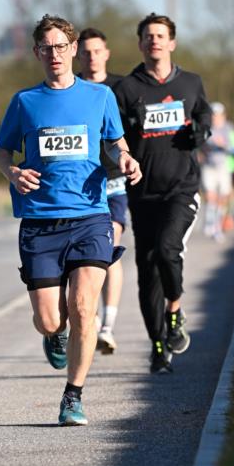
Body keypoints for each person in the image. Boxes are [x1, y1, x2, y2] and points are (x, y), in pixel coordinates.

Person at [0, 14, 141, 425]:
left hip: (90, 215)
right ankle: (55, 335)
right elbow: (2, 151)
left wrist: (126, 158)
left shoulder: (99, 97)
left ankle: (73, 396)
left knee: (82, 306)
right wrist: (14, 173)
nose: (55, 54)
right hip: (40, 220)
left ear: (73, 49)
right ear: (37, 52)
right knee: (49, 319)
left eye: (62, 46)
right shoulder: (25, 102)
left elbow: (115, 142)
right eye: (47, 47)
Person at [114, 13, 211, 373]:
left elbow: (205, 115)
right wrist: (123, 151)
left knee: (168, 250)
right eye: (148, 36)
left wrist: (200, 131)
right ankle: (158, 345)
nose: (154, 41)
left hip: (181, 186)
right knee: (147, 268)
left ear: (172, 42)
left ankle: (175, 310)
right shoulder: (125, 89)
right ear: (140, 44)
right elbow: (114, 136)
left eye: (160, 35)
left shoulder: (191, 82)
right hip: (142, 192)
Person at [77, 27, 125, 353]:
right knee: (84, 256)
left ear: (106, 53)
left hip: (115, 181)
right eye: (86, 51)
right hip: (81, 184)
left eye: (98, 50)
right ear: (78, 55)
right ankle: (87, 318)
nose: (92, 57)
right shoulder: (72, 89)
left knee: (109, 248)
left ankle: (106, 325)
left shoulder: (122, 88)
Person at [199, 103, 234, 239]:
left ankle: (218, 225)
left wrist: (224, 144)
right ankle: (210, 222)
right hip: (208, 165)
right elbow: (200, 143)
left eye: (218, 115)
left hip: (223, 166)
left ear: (223, 116)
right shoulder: (206, 126)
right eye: (213, 115)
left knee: (223, 198)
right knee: (210, 195)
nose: (215, 118)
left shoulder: (229, 128)